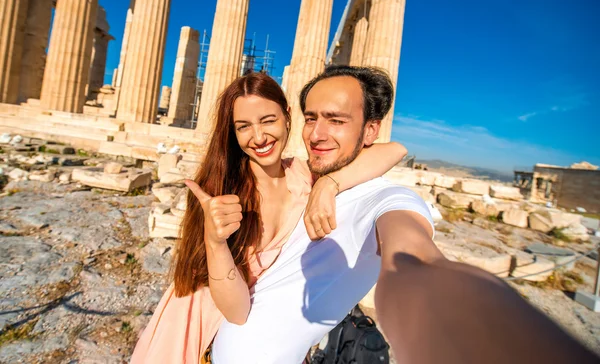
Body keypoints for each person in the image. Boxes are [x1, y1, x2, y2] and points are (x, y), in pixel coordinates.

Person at [211, 66, 599, 363]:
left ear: (369, 131)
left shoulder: (386, 199)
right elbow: (393, 150)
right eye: (311, 118)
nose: (316, 134)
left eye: (337, 120)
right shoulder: (311, 177)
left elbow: (415, 263)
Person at [130, 72, 407, 363]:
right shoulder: (221, 192)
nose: (259, 137)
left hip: (264, 337)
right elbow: (236, 312)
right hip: (200, 324)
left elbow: (395, 150)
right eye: (243, 126)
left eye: (268, 120)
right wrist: (215, 241)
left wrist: (330, 183)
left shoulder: (305, 176)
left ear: (288, 116)